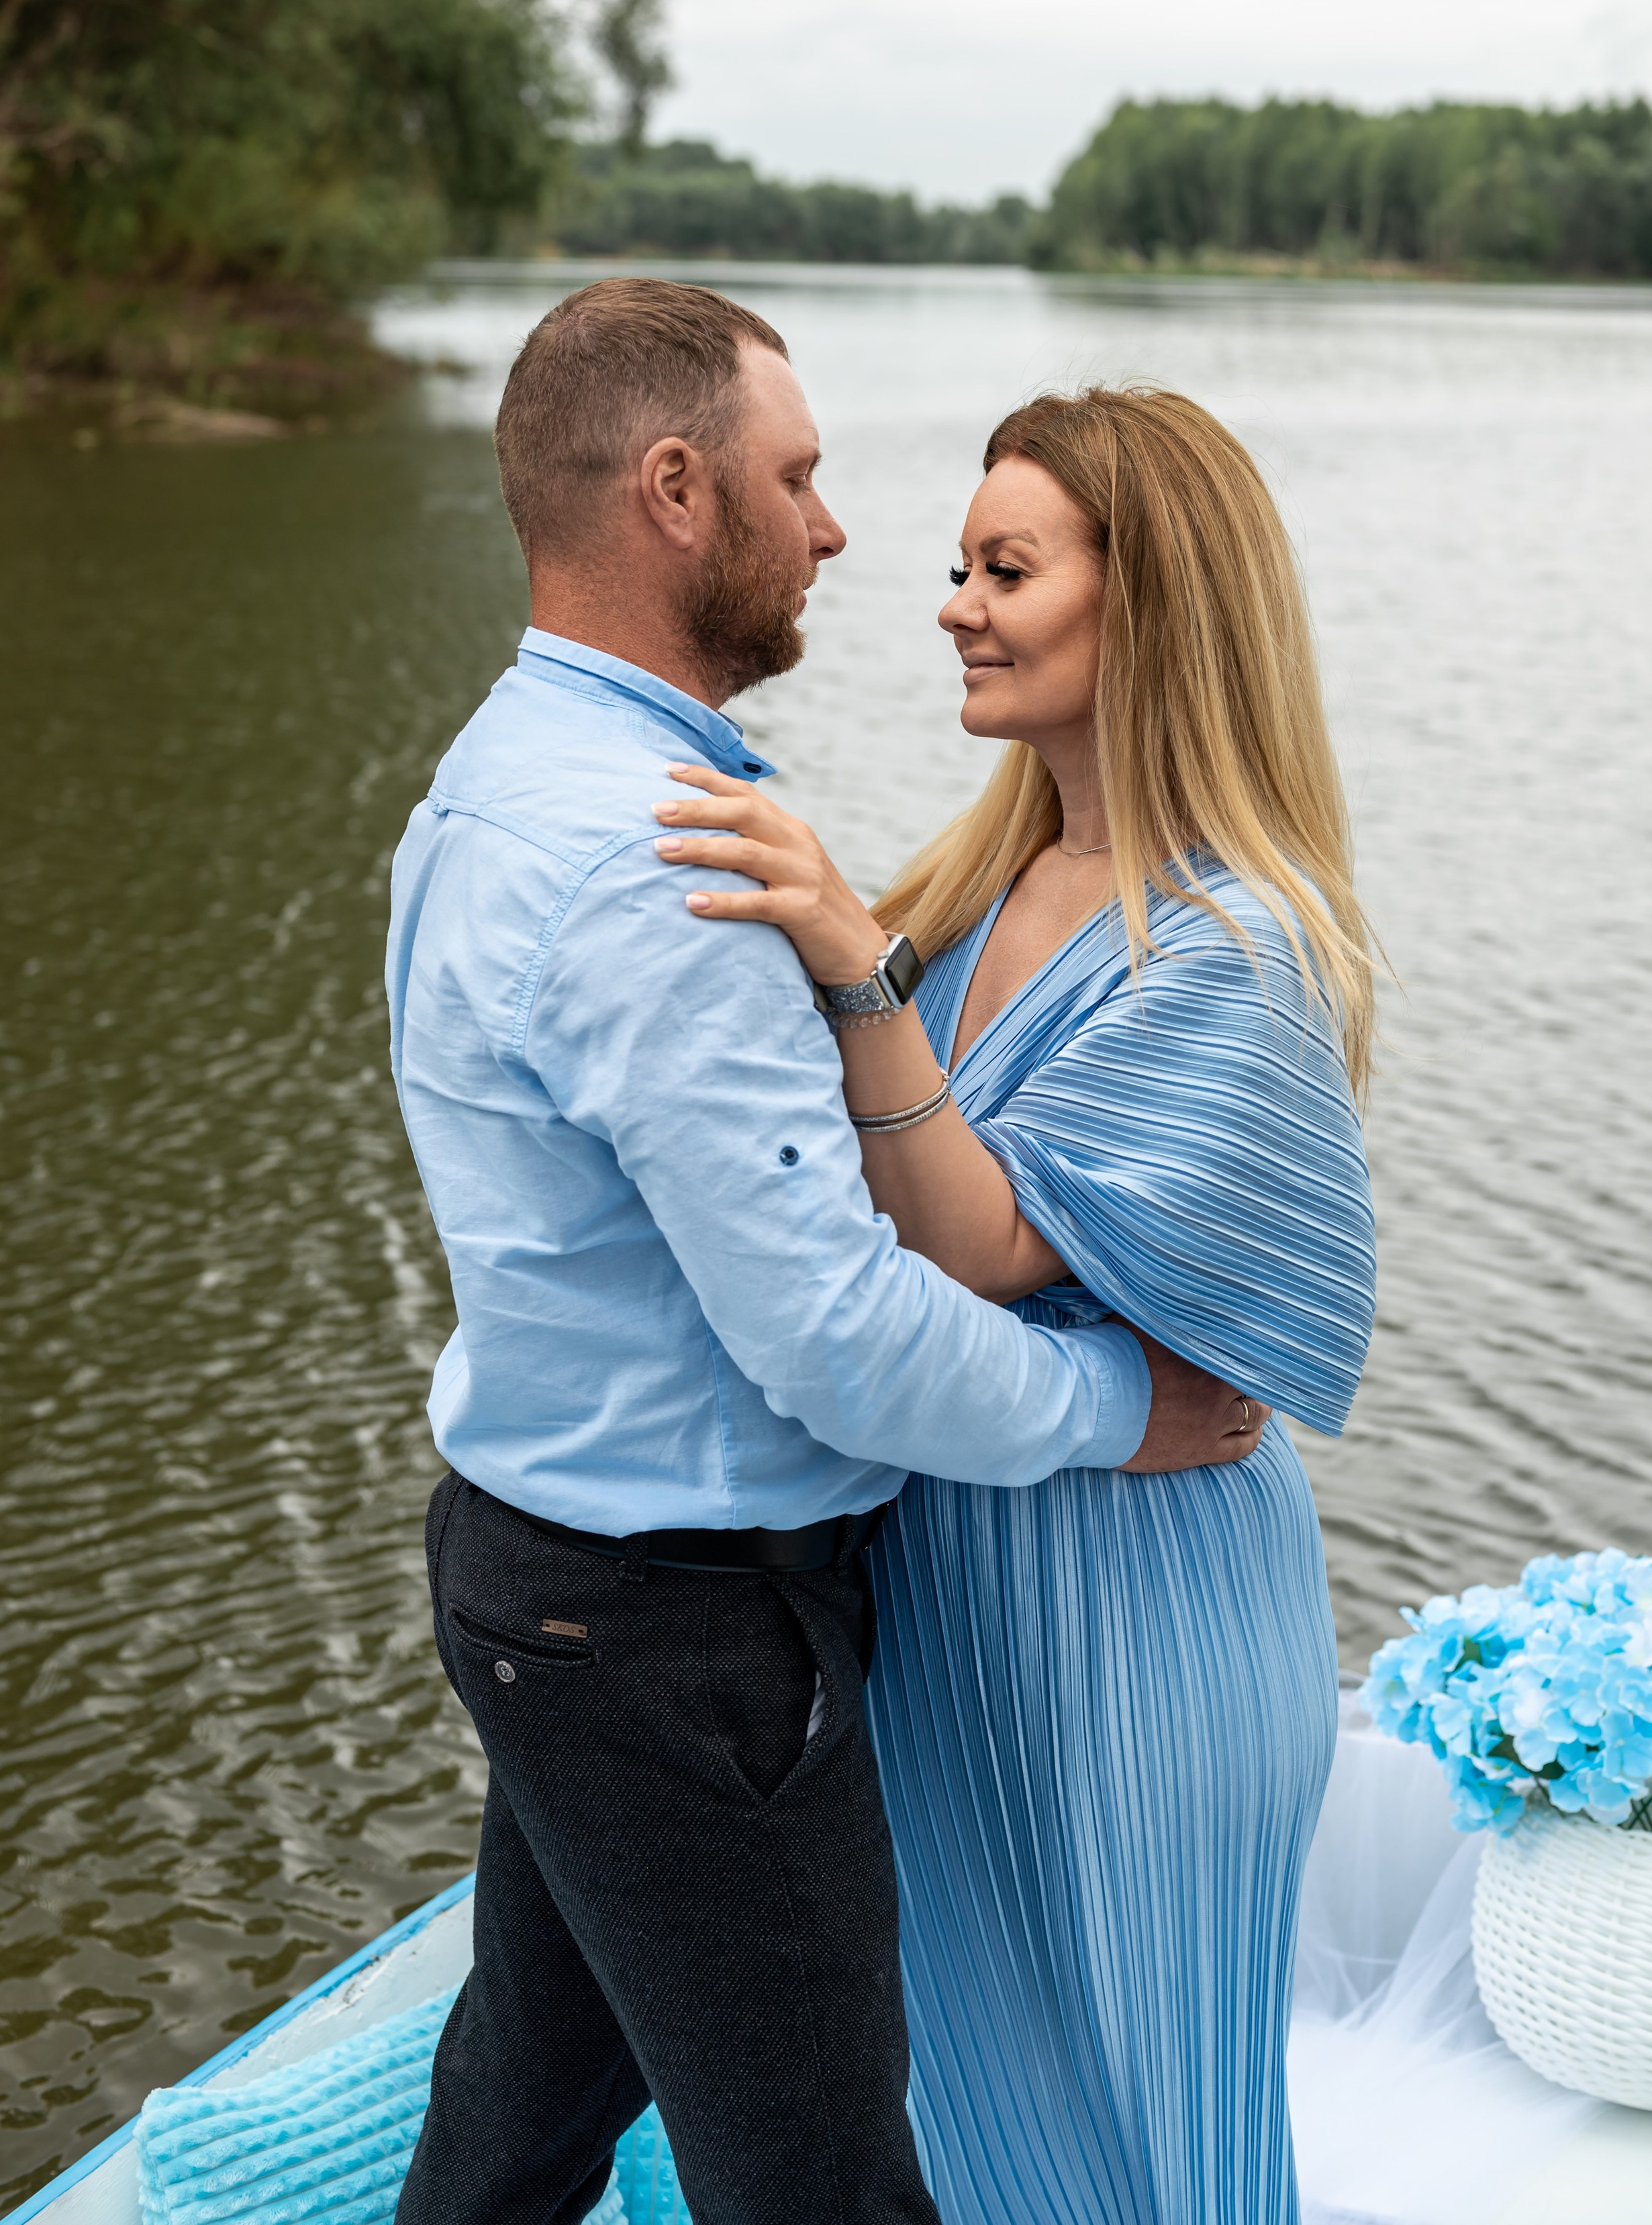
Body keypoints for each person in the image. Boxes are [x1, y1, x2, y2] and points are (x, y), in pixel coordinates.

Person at [385, 287, 1261, 2225]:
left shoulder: (494, 775)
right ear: (676, 491)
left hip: (539, 1572)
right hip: (680, 1633)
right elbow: (840, 1341)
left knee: (523, 2105)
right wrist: (1116, 1402)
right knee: (824, 2184)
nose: (838, 530)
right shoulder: (662, 861)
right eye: (800, 478)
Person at [652, 383, 1377, 2224]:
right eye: (961, 566)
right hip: (955, 1594)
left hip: (1149, 1605)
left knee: (1159, 2122)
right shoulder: (976, 884)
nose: (954, 604)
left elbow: (978, 1243)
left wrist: (848, 962)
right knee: (973, 2100)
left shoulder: (1233, 941)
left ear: (1154, 599)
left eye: (1006, 568)